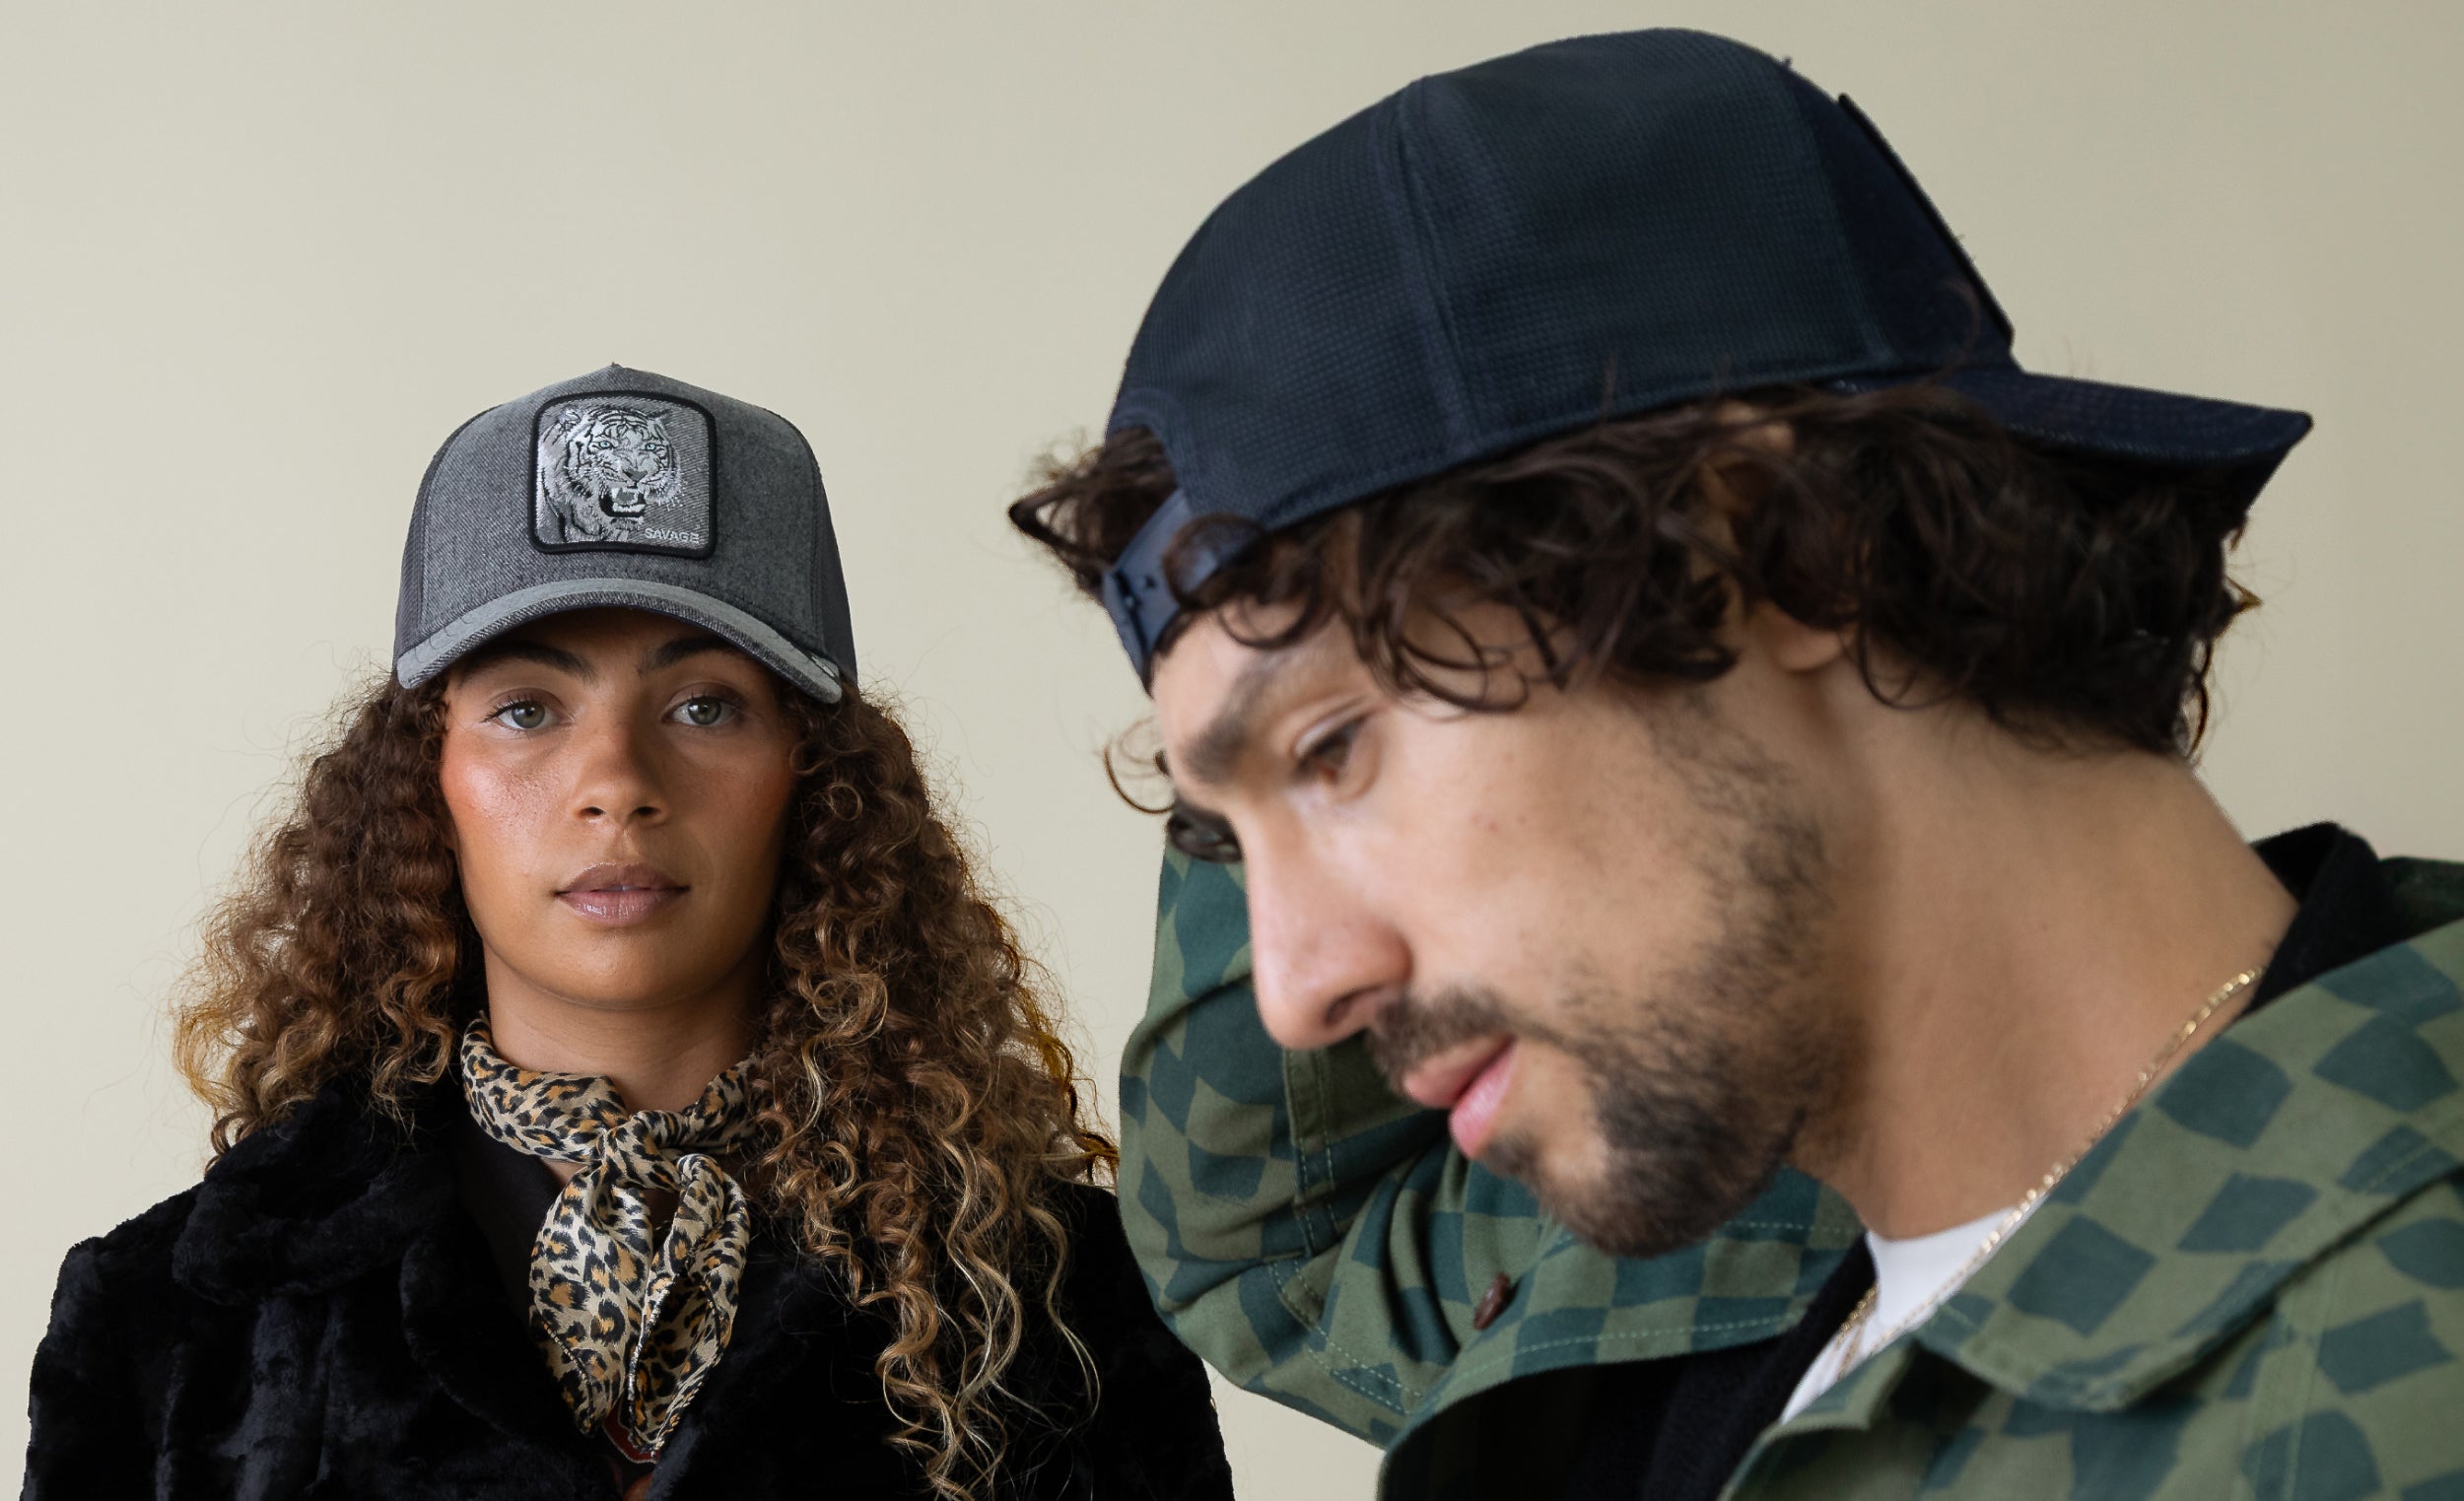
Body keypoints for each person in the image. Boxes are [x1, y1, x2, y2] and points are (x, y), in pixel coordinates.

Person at [1010, 30, 2464, 1501]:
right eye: (1226, 829)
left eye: (1334, 746)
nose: (1293, 985)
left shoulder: (2393, 1369)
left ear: (1790, 550)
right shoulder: (1686, 1287)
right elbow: (1274, 1235)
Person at [25, 366, 1234, 1501]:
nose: (615, 780)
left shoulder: (1061, 1307)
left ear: (816, 779)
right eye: (526, 707)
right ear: (420, 782)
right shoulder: (166, 1316)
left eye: (704, 704)